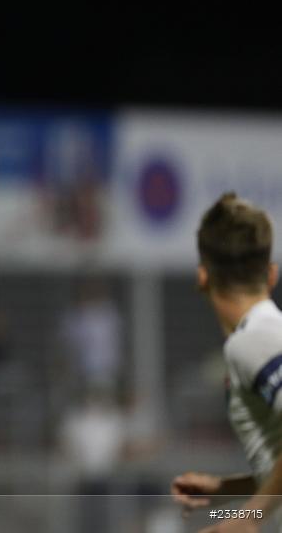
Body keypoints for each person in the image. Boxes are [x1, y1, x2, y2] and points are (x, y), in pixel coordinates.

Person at [171, 192, 282, 533]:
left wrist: (249, 518)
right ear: (271, 274)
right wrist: (224, 490)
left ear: (203, 277)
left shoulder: (253, 341)